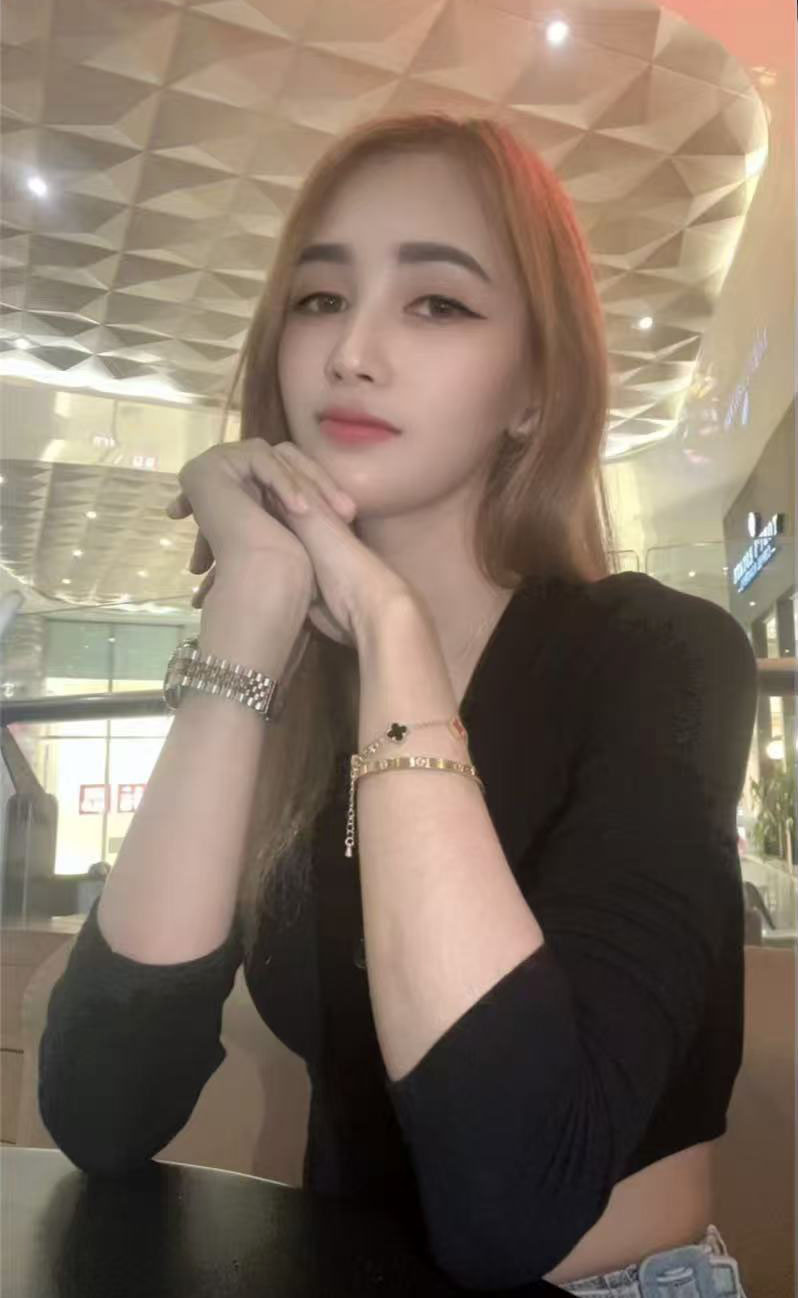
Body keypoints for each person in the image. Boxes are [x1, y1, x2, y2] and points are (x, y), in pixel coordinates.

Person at [38, 113, 757, 1296]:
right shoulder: (295, 681)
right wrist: (252, 607)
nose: (352, 352)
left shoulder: (659, 656)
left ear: (533, 392)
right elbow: (102, 1109)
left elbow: (515, 1202)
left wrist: (392, 629)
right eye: (321, 299)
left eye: (438, 303)